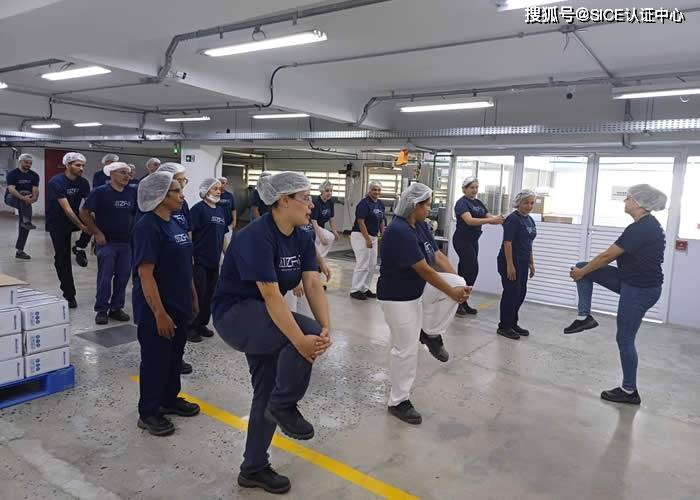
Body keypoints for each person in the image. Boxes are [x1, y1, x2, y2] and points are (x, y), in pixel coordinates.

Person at [211, 172, 331, 494]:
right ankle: (285, 404)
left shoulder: (302, 236)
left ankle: (253, 467)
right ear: (283, 200)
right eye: (305, 198)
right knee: (301, 333)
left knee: (266, 390)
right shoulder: (255, 236)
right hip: (235, 314)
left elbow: (311, 282)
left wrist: (325, 328)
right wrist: (303, 339)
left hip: (264, 317)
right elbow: (271, 295)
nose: (311, 205)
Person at [564, 184, 667, 405]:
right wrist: (583, 271)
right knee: (583, 267)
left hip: (640, 289)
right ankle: (584, 317)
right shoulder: (645, 225)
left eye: (628, 198)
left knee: (625, 338)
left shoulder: (642, 228)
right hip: (630, 281)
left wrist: (581, 273)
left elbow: (607, 256)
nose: (624, 201)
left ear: (638, 202)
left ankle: (629, 391)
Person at [377, 183, 469, 425]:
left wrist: (460, 287)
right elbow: (425, 270)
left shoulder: (419, 226)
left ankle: (430, 333)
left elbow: (437, 256)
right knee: (405, 350)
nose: (430, 208)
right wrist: (452, 292)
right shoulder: (399, 231)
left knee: (457, 283)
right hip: (397, 298)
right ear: (414, 205)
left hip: (416, 290)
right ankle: (398, 401)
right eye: (426, 204)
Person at [132, 171, 200, 437]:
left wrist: (192, 294)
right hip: (157, 309)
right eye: (176, 191)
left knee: (174, 357)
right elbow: (145, 274)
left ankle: (169, 400)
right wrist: (159, 313)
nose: (182, 195)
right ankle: (148, 412)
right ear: (160, 196)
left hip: (179, 303)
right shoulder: (148, 226)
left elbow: (185, 263)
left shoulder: (174, 222)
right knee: (155, 361)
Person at [80, 162, 137, 325]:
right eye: (122, 172)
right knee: (105, 278)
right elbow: (84, 212)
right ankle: (101, 309)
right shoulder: (100, 192)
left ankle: (116, 308)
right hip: (107, 243)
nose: (127, 176)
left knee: (123, 277)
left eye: (128, 173)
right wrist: (97, 233)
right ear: (111, 174)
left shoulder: (131, 192)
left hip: (125, 243)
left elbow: (133, 215)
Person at [46, 153, 91, 309]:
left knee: (94, 222)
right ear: (67, 165)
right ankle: (69, 294)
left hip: (75, 216)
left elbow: (89, 206)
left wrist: (90, 224)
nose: (81, 168)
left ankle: (79, 247)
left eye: (83, 165)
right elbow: (67, 210)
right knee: (62, 258)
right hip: (58, 221)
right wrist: (82, 226)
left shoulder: (83, 182)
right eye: (78, 165)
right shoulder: (56, 182)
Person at [453, 177, 504, 316]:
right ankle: (459, 301)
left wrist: (501, 220)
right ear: (464, 189)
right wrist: (491, 219)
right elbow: (469, 221)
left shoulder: (478, 203)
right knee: (472, 269)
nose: (474, 190)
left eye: (476, 187)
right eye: (472, 187)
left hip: (473, 240)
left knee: (464, 270)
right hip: (462, 240)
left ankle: (462, 302)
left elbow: (489, 217)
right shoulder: (461, 203)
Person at [188, 178, 228, 342]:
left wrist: (229, 255)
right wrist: (188, 256)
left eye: (219, 189)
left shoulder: (220, 210)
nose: (218, 191)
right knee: (197, 294)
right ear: (205, 190)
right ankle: (190, 327)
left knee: (209, 295)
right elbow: (189, 233)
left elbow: (223, 236)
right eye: (214, 189)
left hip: (214, 262)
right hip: (199, 261)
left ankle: (201, 324)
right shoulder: (198, 210)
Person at [497, 190, 537, 340]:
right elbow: (507, 243)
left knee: (520, 293)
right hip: (510, 261)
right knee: (511, 293)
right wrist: (510, 265)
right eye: (526, 202)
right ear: (518, 203)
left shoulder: (530, 220)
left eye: (532, 203)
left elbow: (529, 243)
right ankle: (504, 326)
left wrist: (531, 262)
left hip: (523, 261)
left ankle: (513, 323)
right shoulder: (513, 219)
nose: (529, 206)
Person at [349, 180, 385, 300]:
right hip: (360, 235)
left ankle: (364, 288)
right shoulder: (364, 204)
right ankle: (355, 290)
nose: (376, 192)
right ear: (369, 190)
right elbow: (360, 222)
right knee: (363, 262)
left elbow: (381, 221)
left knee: (372, 264)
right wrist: (367, 238)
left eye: (378, 190)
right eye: (374, 189)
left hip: (373, 236)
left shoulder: (380, 204)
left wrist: (383, 235)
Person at [4, 153, 39, 260]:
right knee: (24, 200)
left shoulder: (34, 175)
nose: (28, 165)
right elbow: (11, 189)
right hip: (11, 197)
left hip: (26, 200)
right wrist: (24, 198)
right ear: (20, 162)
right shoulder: (12, 174)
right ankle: (26, 221)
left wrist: (33, 198)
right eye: (26, 162)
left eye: (30, 163)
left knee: (25, 224)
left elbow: (35, 190)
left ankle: (20, 251)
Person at [311, 180, 340, 260]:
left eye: (331, 191)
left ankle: (316, 261)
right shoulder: (316, 202)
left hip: (320, 227)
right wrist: (321, 237)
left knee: (318, 245)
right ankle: (317, 260)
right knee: (329, 237)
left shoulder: (330, 202)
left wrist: (335, 231)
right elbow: (313, 221)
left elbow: (331, 218)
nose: (329, 193)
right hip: (311, 227)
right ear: (322, 191)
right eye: (327, 191)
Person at [157, 163, 190, 232]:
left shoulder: (183, 203)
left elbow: (188, 230)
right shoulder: (155, 205)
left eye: (184, 180)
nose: (182, 185)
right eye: (178, 180)